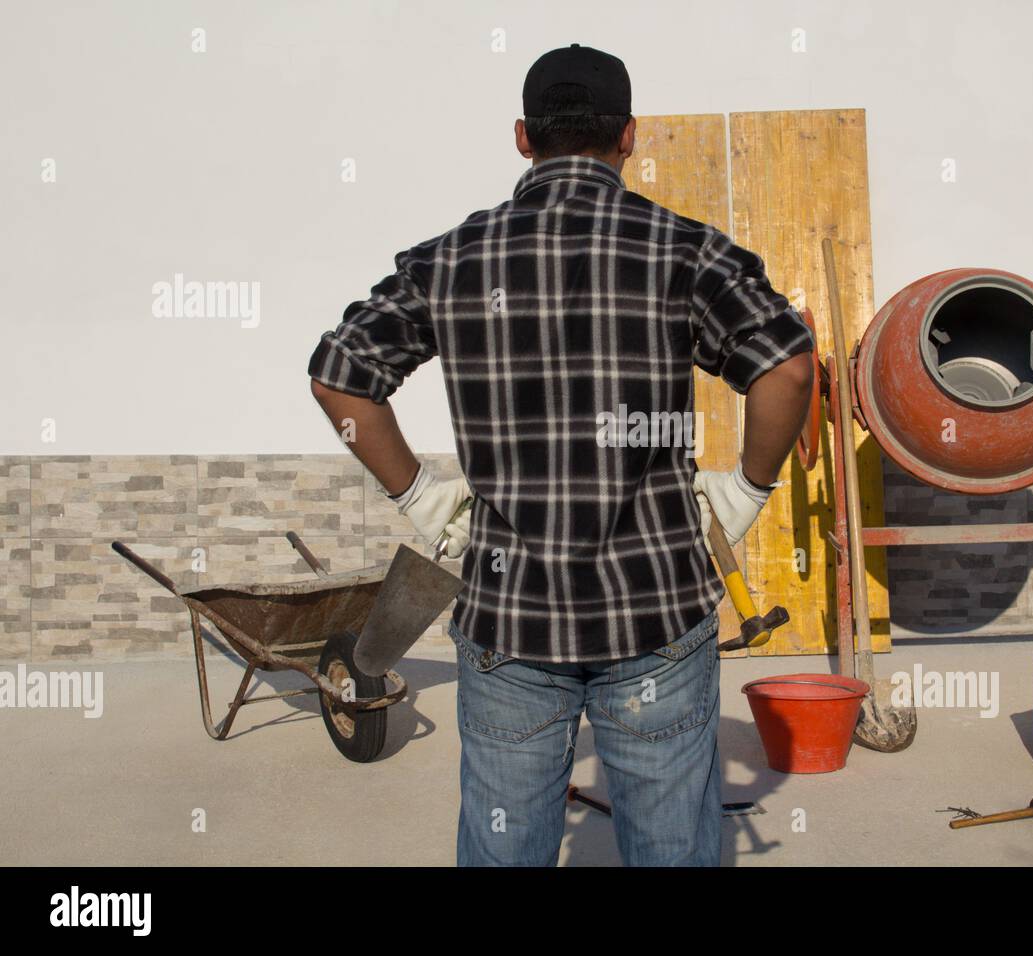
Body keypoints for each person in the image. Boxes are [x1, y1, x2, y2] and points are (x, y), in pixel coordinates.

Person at [308, 43, 813, 866]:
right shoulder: (685, 250)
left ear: (521, 137)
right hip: (656, 611)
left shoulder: (449, 261)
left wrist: (420, 498)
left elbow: (340, 380)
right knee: (671, 844)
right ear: (629, 136)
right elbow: (789, 368)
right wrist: (748, 491)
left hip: (511, 618)